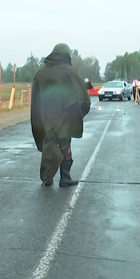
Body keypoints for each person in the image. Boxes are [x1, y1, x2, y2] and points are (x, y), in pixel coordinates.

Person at [31, 43, 91, 187]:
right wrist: (79, 112)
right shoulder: (69, 72)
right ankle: (65, 178)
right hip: (64, 116)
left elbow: (35, 96)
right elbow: (81, 95)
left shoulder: (41, 73)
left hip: (45, 116)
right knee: (65, 146)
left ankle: (47, 177)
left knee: (49, 145)